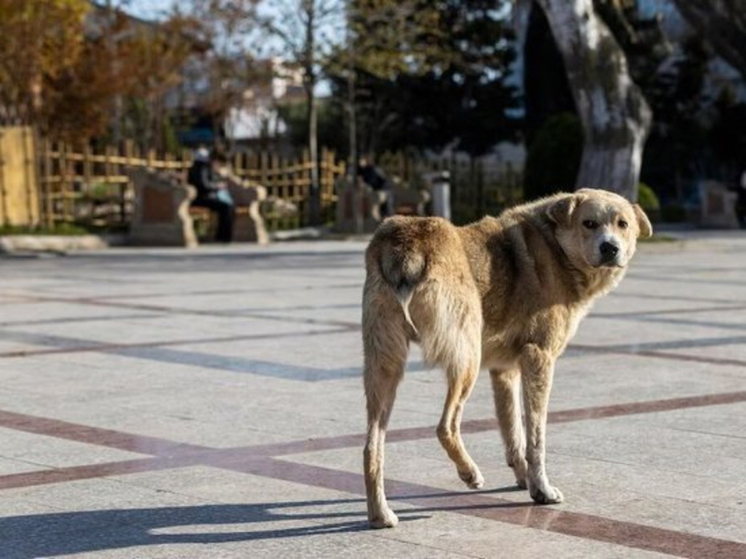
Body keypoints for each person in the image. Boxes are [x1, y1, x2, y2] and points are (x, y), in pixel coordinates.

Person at [187, 148, 236, 243]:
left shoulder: (197, 168)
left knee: (228, 207)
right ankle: (223, 237)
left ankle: (223, 236)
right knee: (226, 207)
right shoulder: (202, 168)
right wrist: (217, 186)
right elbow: (205, 185)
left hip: (203, 197)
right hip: (202, 198)